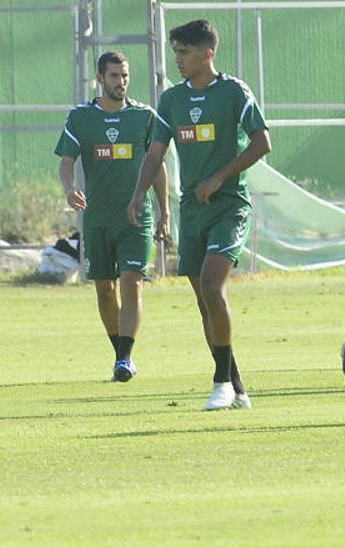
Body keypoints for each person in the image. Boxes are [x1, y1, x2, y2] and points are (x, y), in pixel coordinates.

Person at [130, 19, 270, 411]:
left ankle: (221, 381)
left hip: (229, 206)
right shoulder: (171, 100)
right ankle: (237, 384)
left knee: (212, 286)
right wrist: (140, 195)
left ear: (207, 53)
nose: (178, 58)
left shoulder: (232, 92)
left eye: (185, 52)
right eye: (175, 51)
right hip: (191, 210)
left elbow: (263, 142)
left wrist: (219, 177)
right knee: (204, 301)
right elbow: (155, 153)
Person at [55, 51, 169, 382]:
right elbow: (66, 161)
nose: (121, 82)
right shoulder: (80, 117)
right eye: (114, 76)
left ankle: (125, 357)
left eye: (125, 76)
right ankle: (119, 352)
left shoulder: (144, 116)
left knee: (132, 282)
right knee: (105, 289)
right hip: (97, 218)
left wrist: (164, 212)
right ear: (100, 79)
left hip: (136, 217)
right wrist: (69, 187)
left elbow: (156, 164)